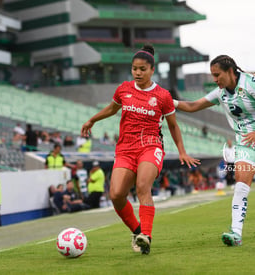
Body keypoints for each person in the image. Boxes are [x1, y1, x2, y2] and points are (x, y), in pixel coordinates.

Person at [173, 55, 255, 246]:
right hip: (245, 144)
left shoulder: (251, 83)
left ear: (229, 71)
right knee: (241, 185)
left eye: (217, 75)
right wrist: (170, 102)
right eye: (212, 75)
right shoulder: (220, 93)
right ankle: (236, 234)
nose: (214, 79)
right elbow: (193, 106)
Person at [81, 44, 200, 254]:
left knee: (143, 186)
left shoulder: (162, 96)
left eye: (142, 69)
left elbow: (173, 125)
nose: (137, 72)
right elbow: (111, 109)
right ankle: (137, 231)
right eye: (134, 68)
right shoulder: (124, 89)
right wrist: (92, 120)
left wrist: (181, 151)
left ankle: (146, 234)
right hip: (125, 148)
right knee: (117, 194)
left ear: (152, 70)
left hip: (150, 146)